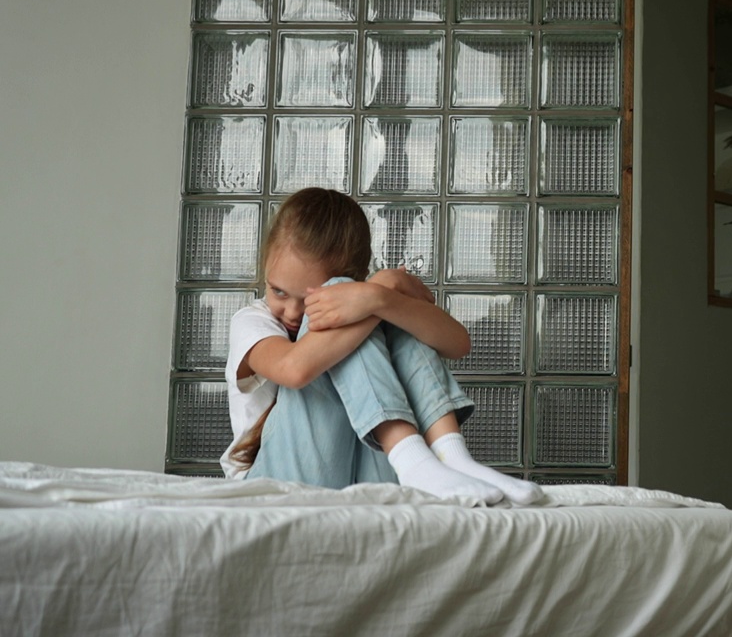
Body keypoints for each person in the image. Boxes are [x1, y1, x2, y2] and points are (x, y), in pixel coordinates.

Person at [219, 187, 542, 505]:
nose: (291, 311)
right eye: (278, 291)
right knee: (368, 306)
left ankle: (452, 455)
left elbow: (458, 344)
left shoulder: (367, 298)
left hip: (367, 471)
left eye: (309, 299)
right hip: (276, 483)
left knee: (390, 311)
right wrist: (381, 292)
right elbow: (294, 370)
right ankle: (413, 458)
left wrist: (380, 298)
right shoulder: (251, 321)